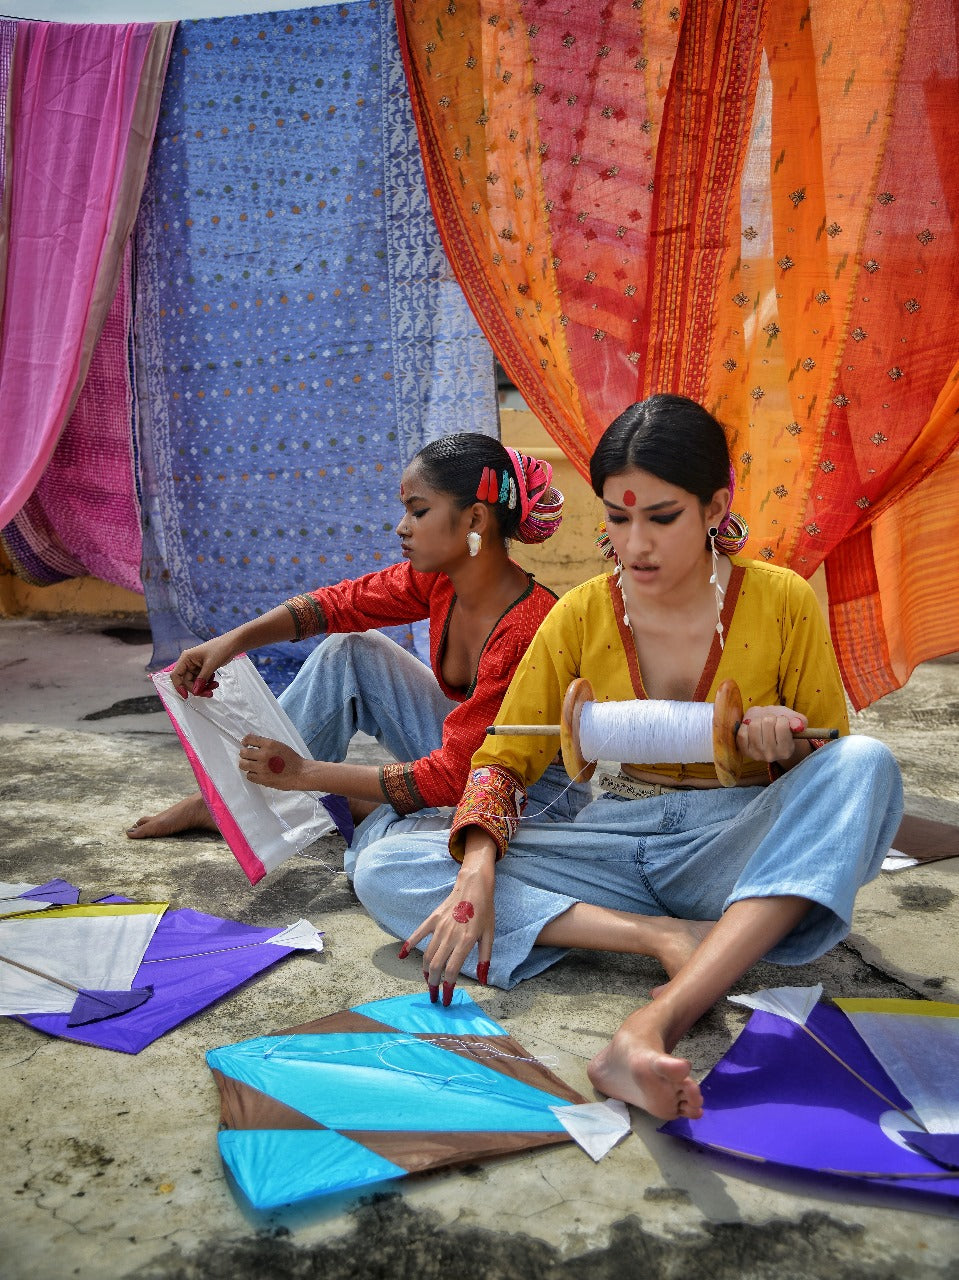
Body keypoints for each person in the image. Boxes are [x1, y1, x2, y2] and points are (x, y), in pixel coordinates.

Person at [351, 394, 904, 1122]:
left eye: (660, 517)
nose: (635, 543)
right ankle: (666, 938)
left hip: (724, 846)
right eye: (616, 517)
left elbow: (824, 762)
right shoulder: (580, 612)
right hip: (606, 841)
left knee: (865, 765)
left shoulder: (781, 602)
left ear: (714, 507)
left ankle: (651, 1024)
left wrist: (779, 742)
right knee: (387, 864)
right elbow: (505, 755)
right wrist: (477, 870)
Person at [127, 432, 591, 858]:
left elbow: (456, 778)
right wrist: (231, 642)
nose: (402, 527)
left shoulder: (530, 627)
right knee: (351, 651)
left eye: (418, 510)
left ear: (474, 518)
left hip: (528, 798)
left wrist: (302, 774)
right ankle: (237, 801)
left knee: (377, 861)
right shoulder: (439, 581)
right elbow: (341, 604)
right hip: (469, 761)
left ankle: (325, 805)